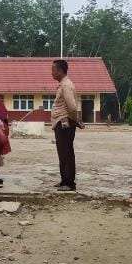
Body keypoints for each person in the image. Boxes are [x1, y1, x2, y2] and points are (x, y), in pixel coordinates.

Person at [51, 59, 84, 192]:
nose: (51, 72)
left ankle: (69, 183)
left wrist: (76, 121)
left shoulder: (66, 85)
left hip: (65, 123)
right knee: (63, 152)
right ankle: (64, 180)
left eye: (53, 70)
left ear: (60, 71)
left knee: (66, 152)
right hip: (61, 122)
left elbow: (72, 107)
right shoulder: (62, 84)